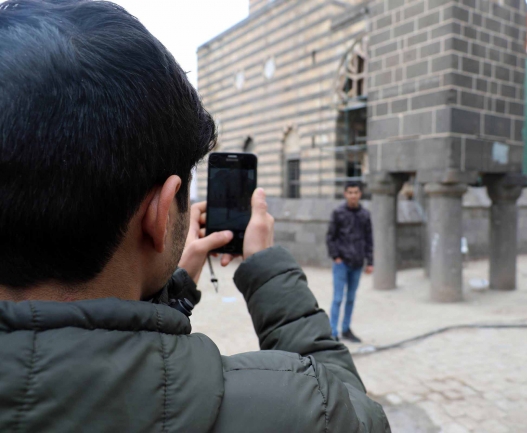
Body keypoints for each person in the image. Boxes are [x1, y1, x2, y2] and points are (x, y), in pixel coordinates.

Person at [0, 1, 390, 432]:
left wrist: (173, 284)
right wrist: (268, 269)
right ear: (161, 214)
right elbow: (350, 409)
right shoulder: (283, 410)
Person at [326, 182, 374, 343]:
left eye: (356, 192)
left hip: (357, 263)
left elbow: (369, 239)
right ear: (345, 194)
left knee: (351, 298)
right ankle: (333, 332)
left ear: (360, 194)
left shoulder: (365, 214)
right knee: (338, 298)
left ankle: (346, 329)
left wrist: (370, 261)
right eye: (350, 192)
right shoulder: (338, 213)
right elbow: (330, 237)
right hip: (342, 263)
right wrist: (336, 257)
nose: (353, 195)